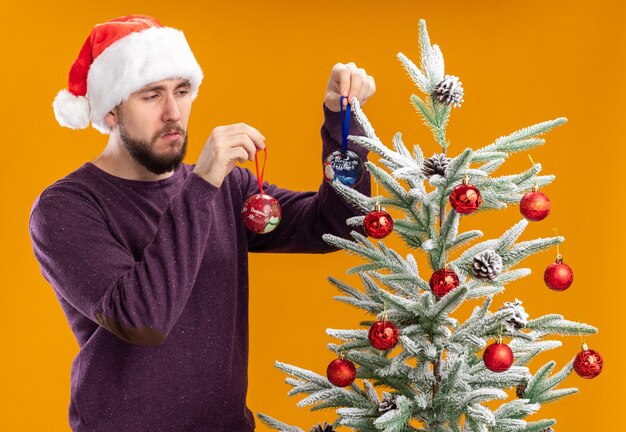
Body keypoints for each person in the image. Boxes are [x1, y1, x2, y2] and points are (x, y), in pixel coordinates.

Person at [28, 14, 375, 432]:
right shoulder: (65, 207)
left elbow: (338, 226)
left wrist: (342, 124)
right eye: (150, 95)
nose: (173, 112)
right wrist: (204, 181)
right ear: (111, 112)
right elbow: (143, 318)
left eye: (182, 90)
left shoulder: (226, 187)